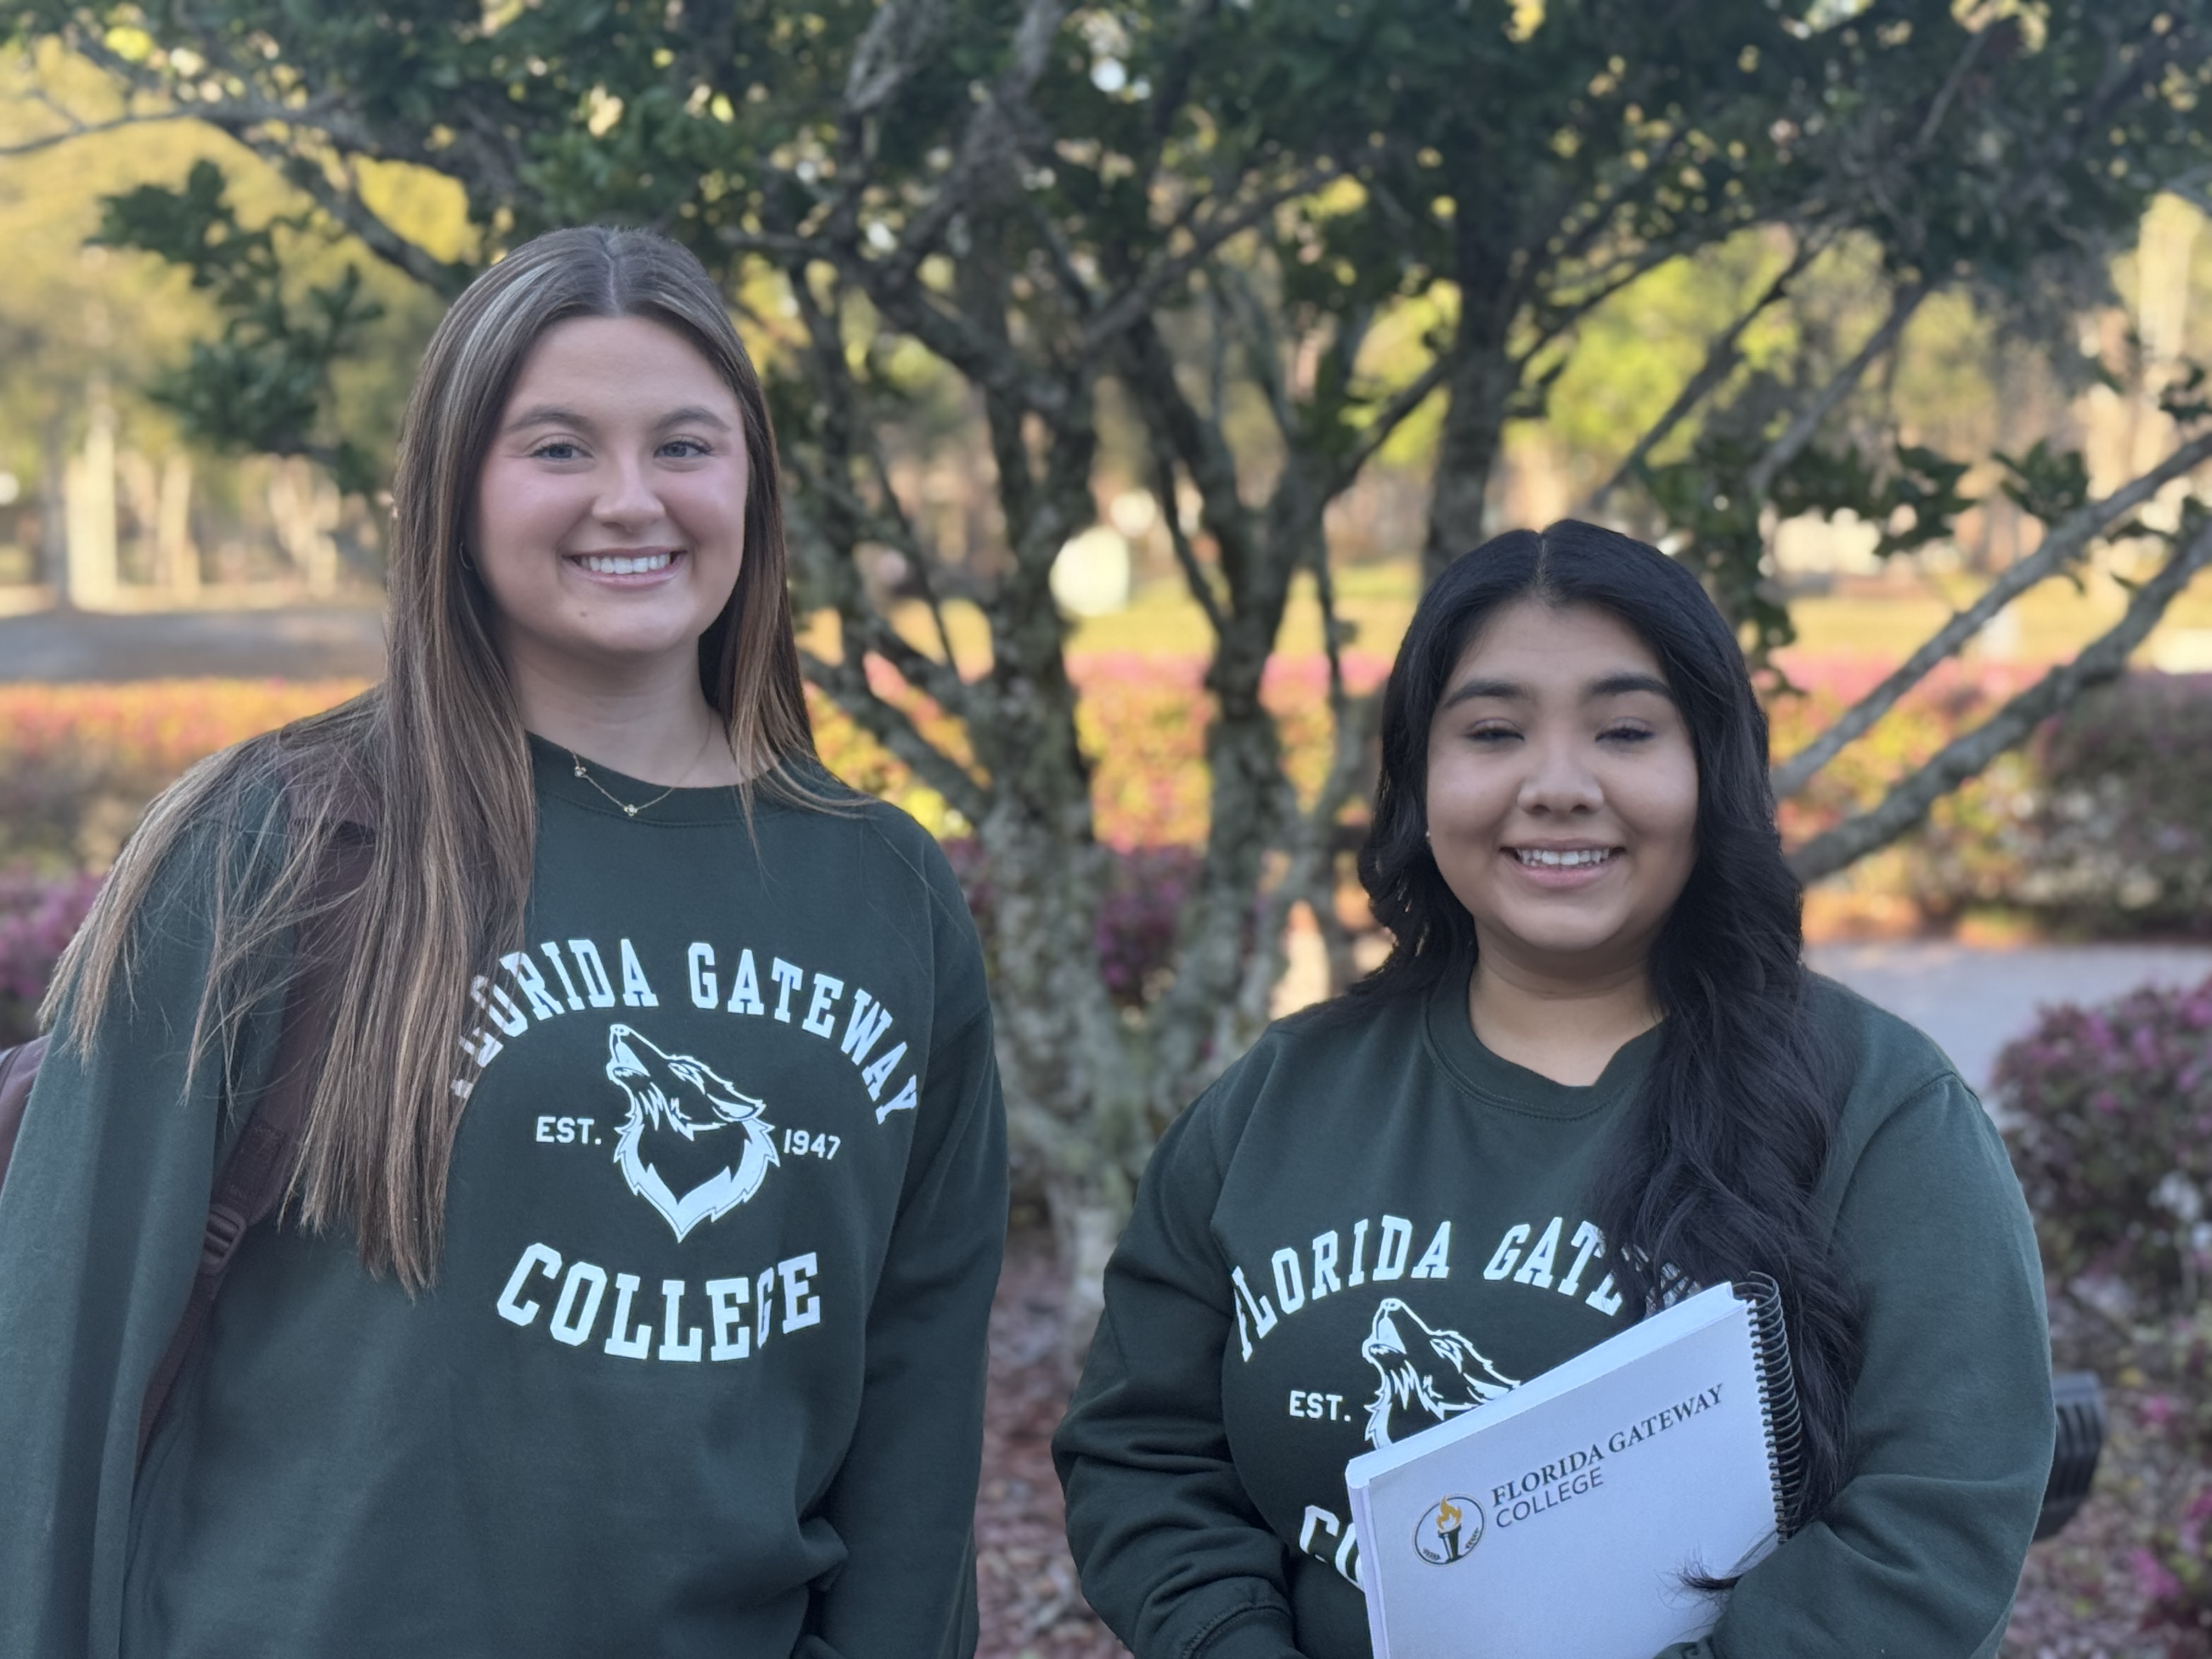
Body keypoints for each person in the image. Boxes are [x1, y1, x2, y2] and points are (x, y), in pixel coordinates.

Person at [0, 227, 1006, 1658]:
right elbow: (56, 1362)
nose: (629, 499)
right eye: (557, 449)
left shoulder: (886, 895)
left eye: (684, 446)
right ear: (455, 493)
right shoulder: (274, 843)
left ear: (751, 487)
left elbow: (914, 1405)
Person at [1053, 521, 2055, 1658]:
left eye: (1625, 731)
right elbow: (1142, 1454)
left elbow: (1936, 1518)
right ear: (1421, 780)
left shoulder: (1879, 1109)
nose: (1559, 787)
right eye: (1493, 732)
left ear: (1708, 770)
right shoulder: (1279, 1101)